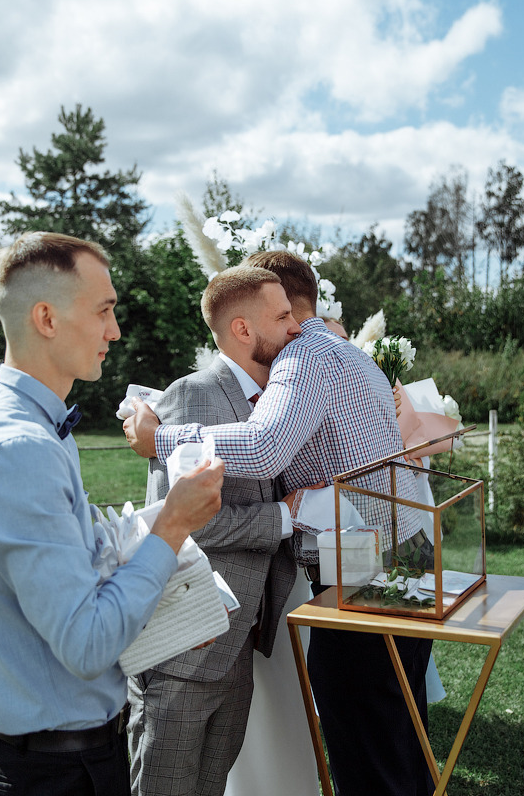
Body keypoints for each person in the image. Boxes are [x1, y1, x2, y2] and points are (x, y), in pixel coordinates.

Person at [125, 250, 435, 796]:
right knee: (399, 727)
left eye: (286, 315)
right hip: (405, 551)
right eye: (282, 319)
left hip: (366, 566)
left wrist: (159, 441)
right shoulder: (342, 351)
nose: (289, 327)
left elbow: (265, 448)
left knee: (366, 733)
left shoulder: (303, 358)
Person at [0, 232, 225, 796]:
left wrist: (167, 609)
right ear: (46, 317)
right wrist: (171, 527)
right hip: (57, 774)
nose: (114, 331)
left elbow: (77, 560)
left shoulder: (36, 427)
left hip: (70, 758)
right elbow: (87, 644)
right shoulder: (19, 448)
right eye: (103, 311)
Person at [127, 266, 303, 796]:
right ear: (243, 330)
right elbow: (182, 525)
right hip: (183, 652)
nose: (296, 327)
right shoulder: (195, 396)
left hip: (237, 646)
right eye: (283, 315)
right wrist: (284, 518)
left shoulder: (275, 399)